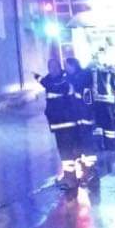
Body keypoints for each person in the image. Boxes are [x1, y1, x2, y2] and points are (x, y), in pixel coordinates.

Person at [38, 57, 79, 185]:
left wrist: (40, 79)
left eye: (55, 67)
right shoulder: (50, 80)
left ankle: (71, 178)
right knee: (63, 151)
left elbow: (55, 87)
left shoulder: (64, 79)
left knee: (68, 150)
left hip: (67, 122)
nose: (52, 70)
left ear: (59, 67)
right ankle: (69, 175)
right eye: (50, 67)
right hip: (57, 124)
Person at [65, 56, 98, 177]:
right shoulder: (72, 78)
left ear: (73, 66)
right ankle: (84, 170)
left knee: (87, 144)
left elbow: (88, 101)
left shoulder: (82, 79)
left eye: (67, 66)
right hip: (77, 118)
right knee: (78, 143)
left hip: (84, 118)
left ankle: (91, 169)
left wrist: (87, 116)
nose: (66, 68)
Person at [89, 49, 115, 152]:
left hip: (96, 101)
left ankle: (101, 146)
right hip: (108, 101)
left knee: (99, 125)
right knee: (110, 126)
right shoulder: (111, 68)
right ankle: (111, 147)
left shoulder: (91, 67)